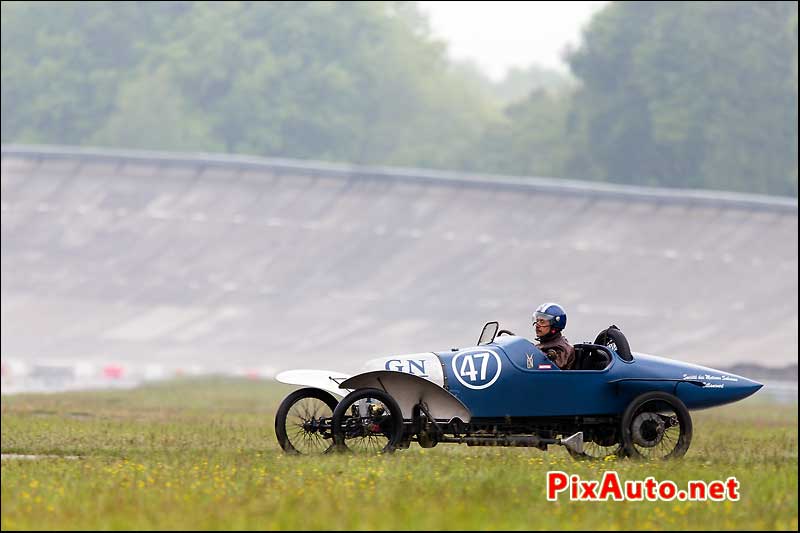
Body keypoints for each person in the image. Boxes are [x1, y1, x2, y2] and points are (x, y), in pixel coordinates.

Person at [533, 302, 575, 370]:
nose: (537, 325)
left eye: (542, 321)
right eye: (537, 321)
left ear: (554, 325)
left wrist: (536, 353)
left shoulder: (564, 349)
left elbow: (553, 369)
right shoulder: (544, 344)